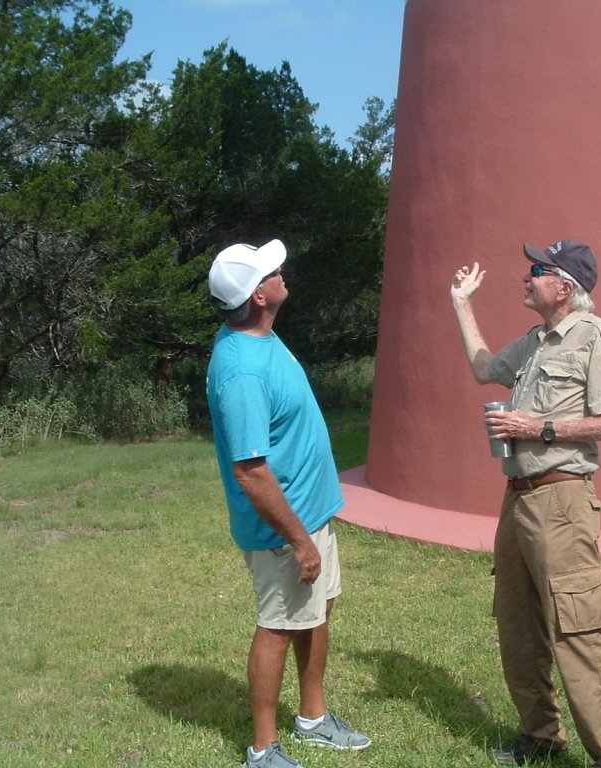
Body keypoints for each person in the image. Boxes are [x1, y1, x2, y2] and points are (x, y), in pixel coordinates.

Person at [450, 239, 601, 768]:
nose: (526, 276)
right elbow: (485, 368)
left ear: (564, 286)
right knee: (517, 623)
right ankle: (541, 737)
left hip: (562, 499)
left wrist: (538, 427)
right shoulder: (535, 343)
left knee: (577, 632)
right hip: (518, 501)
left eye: (537, 269)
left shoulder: (594, 337)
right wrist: (461, 303)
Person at [206, 239, 371, 768]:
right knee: (277, 625)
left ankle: (313, 718)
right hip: (283, 526)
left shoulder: (260, 335)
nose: (282, 272)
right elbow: (250, 472)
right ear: (259, 294)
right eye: (272, 270)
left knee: (316, 610)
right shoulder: (242, 372)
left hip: (309, 511)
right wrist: (299, 541)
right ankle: (262, 749)